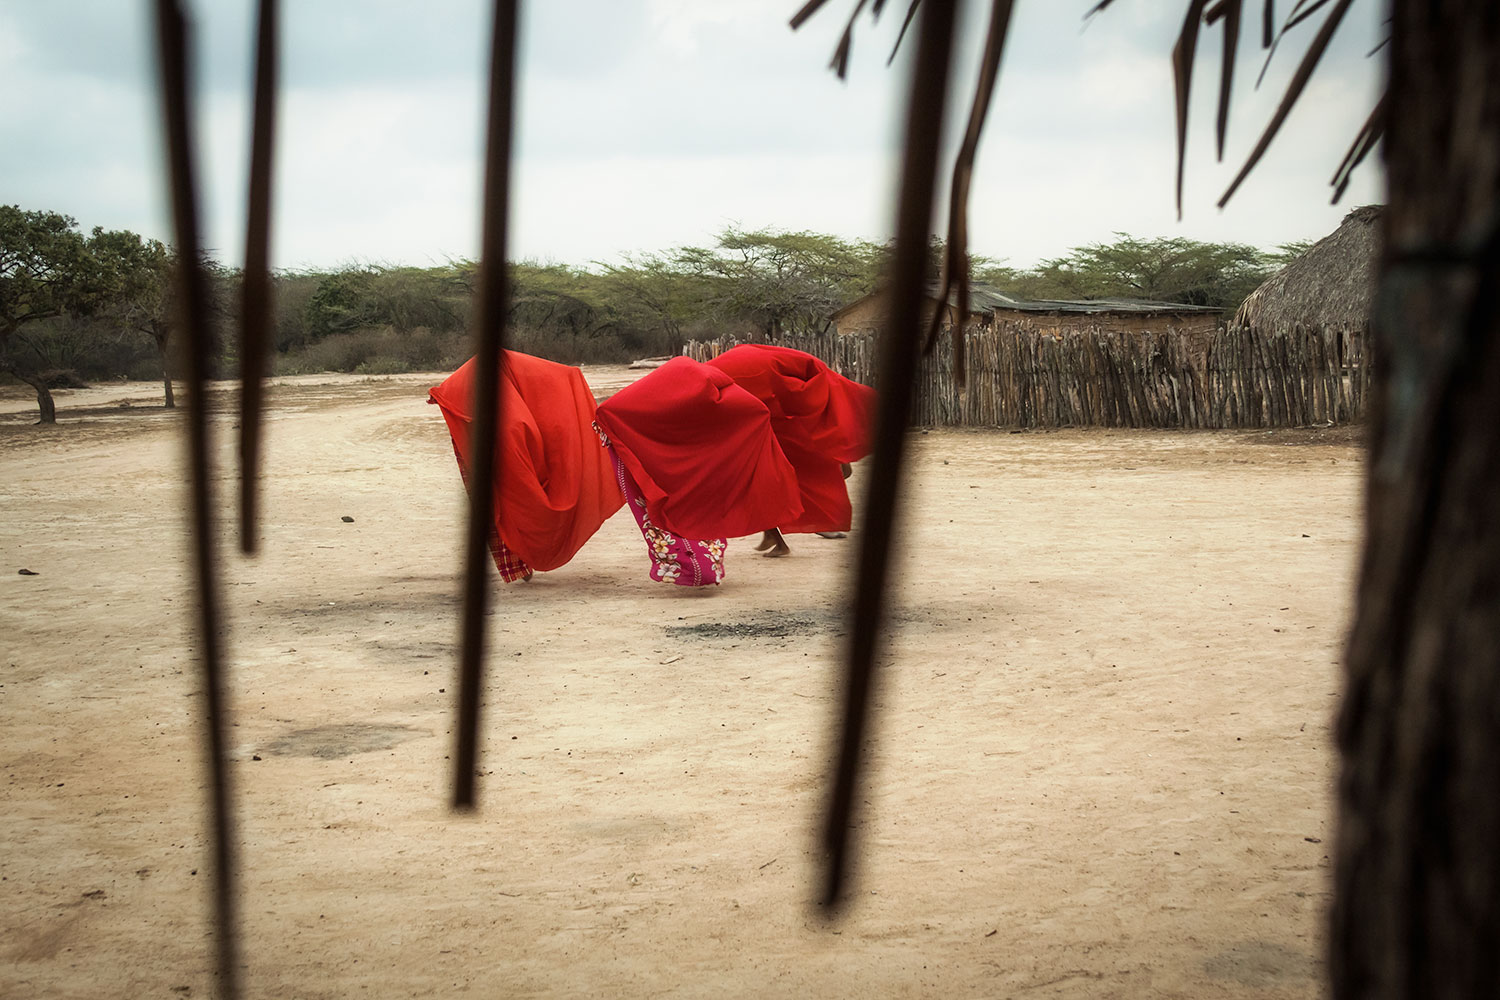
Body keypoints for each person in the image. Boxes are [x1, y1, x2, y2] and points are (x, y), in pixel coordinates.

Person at [592, 356, 803, 586]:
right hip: (698, 448)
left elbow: (626, 409)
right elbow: (755, 410)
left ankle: (710, 561)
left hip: (681, 440)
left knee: (689, 503)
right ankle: (724, 556)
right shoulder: (710, 387)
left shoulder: (683, 383)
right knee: (702, 503)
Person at [428, 351, 623, 582]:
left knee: (497, 497)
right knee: (501, 495)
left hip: (470, 411)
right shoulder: (501, 385)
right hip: (470, 413)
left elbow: (520, 423)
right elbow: (518, 426)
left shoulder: (505, 377)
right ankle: (520, 561)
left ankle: (519, 563)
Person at [706, 345, 876, 557]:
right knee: (757, 475)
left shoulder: (723, 380)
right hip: (762, 396)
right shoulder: (728, 376)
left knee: (755, 477)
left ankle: (785, 533)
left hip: (761, 393)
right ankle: (778, 533)